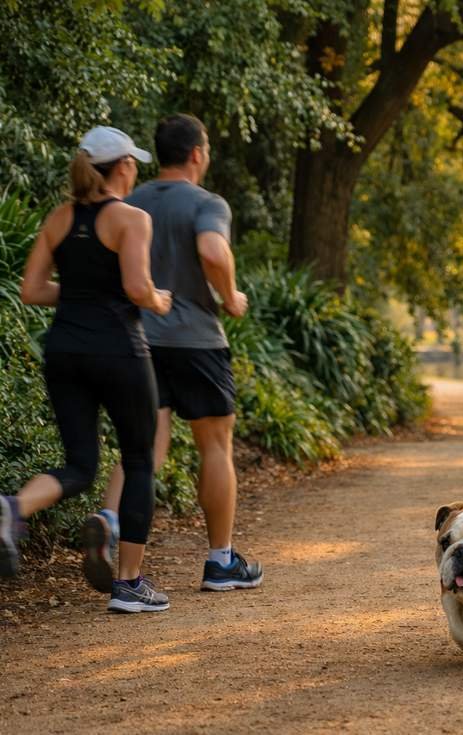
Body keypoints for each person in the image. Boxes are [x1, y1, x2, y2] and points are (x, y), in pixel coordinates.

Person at [0, 127, 174, 613]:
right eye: (133, 163)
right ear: (121, 167)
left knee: (80, 464)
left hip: (64, 351)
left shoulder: (60, 218)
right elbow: (138, 288)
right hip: (119, 350)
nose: (135, 169)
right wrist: (158, 301)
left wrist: (79, 295)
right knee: (139, 459)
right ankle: (129, 585)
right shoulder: (132, 219)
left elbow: (31, 290)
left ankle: (13, 507)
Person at [103, 113, 262, 592]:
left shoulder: (130, 200)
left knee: (144, 445)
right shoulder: (207, 202)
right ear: (197, 153)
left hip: (138, 339)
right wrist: (230, 296)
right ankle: (220, 561)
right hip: (197, 340)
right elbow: (213, 252)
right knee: (215, 446)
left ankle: (110, 522)